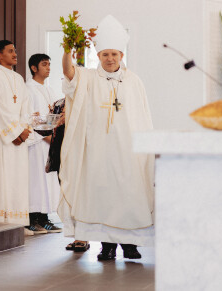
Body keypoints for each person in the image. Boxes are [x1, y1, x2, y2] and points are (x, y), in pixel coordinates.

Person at [59, 15, 155, 261]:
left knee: (129, 195)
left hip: (128, 151)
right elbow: (68, 73)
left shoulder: (134, 81)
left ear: (121, 55)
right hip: (99, 150)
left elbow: (142, 117)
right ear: (98, 55)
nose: (110, 58)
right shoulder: (88, 78)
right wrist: (68, 48)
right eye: (105, 54)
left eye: (114, 54)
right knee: (103, 196)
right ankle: (107, 245)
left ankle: (130, 244)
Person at [0, 40, 33, 228]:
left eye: (15, 50)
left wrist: (25, 129)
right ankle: (0, 224)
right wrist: (15, 133)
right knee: (2, 181)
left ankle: (17, 225)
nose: (15, 54)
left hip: (19, 137)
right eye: (10, 51)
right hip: (2, 137)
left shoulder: (18, 78)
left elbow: (26, 107)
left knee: (17, 181)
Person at [25, 54, 62, 235]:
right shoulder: (28, 89)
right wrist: (48, 137)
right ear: (34, 68)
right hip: (37, 142)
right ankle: (32, 218)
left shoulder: (49, 90)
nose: (48, 68)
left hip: (49, 141)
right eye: (44, 64)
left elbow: (55, 116)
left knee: (47, 182)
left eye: (49, 64)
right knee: (36, 181)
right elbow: (31, 118)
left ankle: (44, 217)